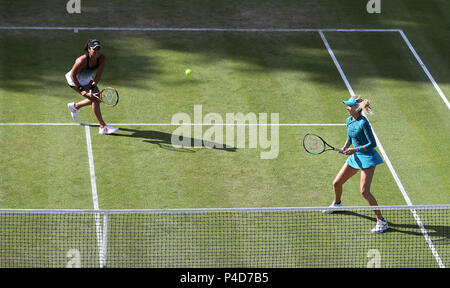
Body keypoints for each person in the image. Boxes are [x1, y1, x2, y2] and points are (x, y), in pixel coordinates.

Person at [323, 95, 388, 234]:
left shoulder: (364, 123)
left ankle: (381, 221)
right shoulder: (349, 120)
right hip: (355, 157)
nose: (347, 107)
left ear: (357, 109)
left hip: (368, 158)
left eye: (350, 106)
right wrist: (345, 146)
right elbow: (350, 136)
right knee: (337, 183)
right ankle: (338, 204)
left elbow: (373, 144)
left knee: (364, 191)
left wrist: (355, 149)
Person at [65, 39, 118, 134]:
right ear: (89, 49)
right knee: (95, 99)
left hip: (86, 78)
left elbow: (98, 75)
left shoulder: (102, 58)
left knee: (95, 97)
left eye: (98, 49)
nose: (97, 52)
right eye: (94, 49)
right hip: (74, 79)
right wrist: (81, 89)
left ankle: (75, 106)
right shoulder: (81, 61)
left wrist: (93, 86)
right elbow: (73, 75)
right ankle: (103, 127)